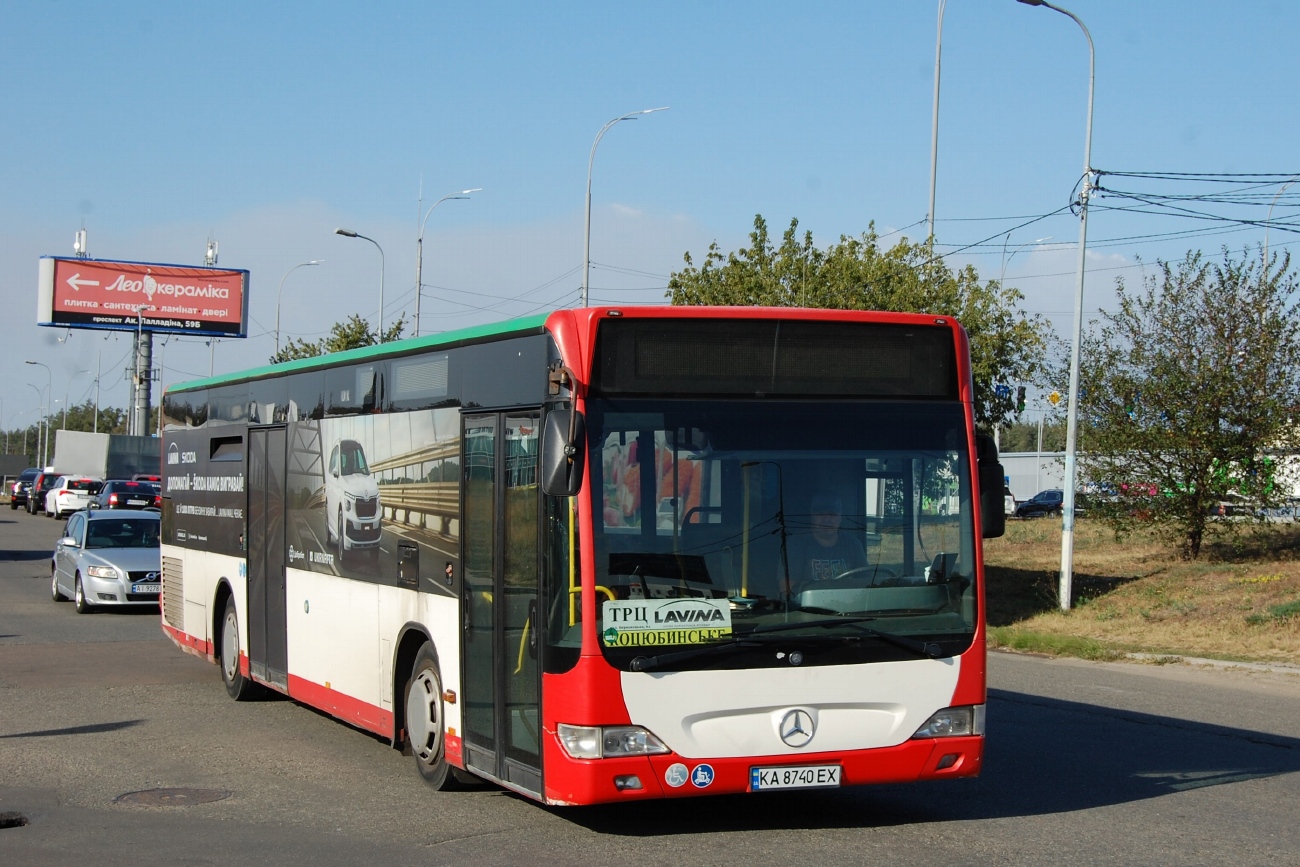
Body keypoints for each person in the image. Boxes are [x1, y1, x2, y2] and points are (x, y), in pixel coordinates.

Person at [782, 492, 868, 595]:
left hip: (850, 606)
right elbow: (786, 592)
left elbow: (868, 586)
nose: (827, 519)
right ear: (811, 515)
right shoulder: (795, 545)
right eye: (821, 513)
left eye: (832, 514)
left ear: (840, 516)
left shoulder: (853, 544)